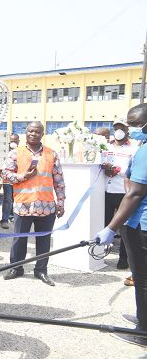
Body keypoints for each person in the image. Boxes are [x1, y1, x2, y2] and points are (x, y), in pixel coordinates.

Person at [95, 103, 147, 347]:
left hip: (142, 226)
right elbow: (129, 179)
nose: (131, 129)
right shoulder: (143, 148)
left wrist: (112, 227)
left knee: (142, 278)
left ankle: (144, 331)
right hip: (139, 221)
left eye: (135, 124)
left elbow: (135, 194)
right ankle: (143, 317)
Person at [2, 121, 66, 286]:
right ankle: (16, 268)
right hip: (23, 204)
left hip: (46, 206)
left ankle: (41, 270)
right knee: (19, 239)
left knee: (44, 240)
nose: (33, 134)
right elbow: (6, 175)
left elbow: (58, 181)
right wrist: (23, 176)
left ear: (42, 134)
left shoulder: (52, 154)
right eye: (30, 131)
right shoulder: (15, 153)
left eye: (37, 132)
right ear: (26, 132)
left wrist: (60, 202)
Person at [101, 119, 137, 270]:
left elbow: (133, 171)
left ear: (127, 130)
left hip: (123, 192)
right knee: (104, 224)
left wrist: (118, 171)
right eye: (116, 128)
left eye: (122, 128)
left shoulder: (133, 149)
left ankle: (123, 259)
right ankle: (100, 255)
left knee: (124, 228)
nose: (119, 131)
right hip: (106, 191)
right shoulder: (106, 146)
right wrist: (105, 169)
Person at [0, 133, 20, 229]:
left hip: (16, 179)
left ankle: (12, 216)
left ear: (18, 142)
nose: (13, 143)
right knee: (7, 200)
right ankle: (4, 220)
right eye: (12, 141)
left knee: (15, 199)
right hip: (7, 179)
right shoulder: (5, 150)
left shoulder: (20, 151)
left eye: (15, 141)